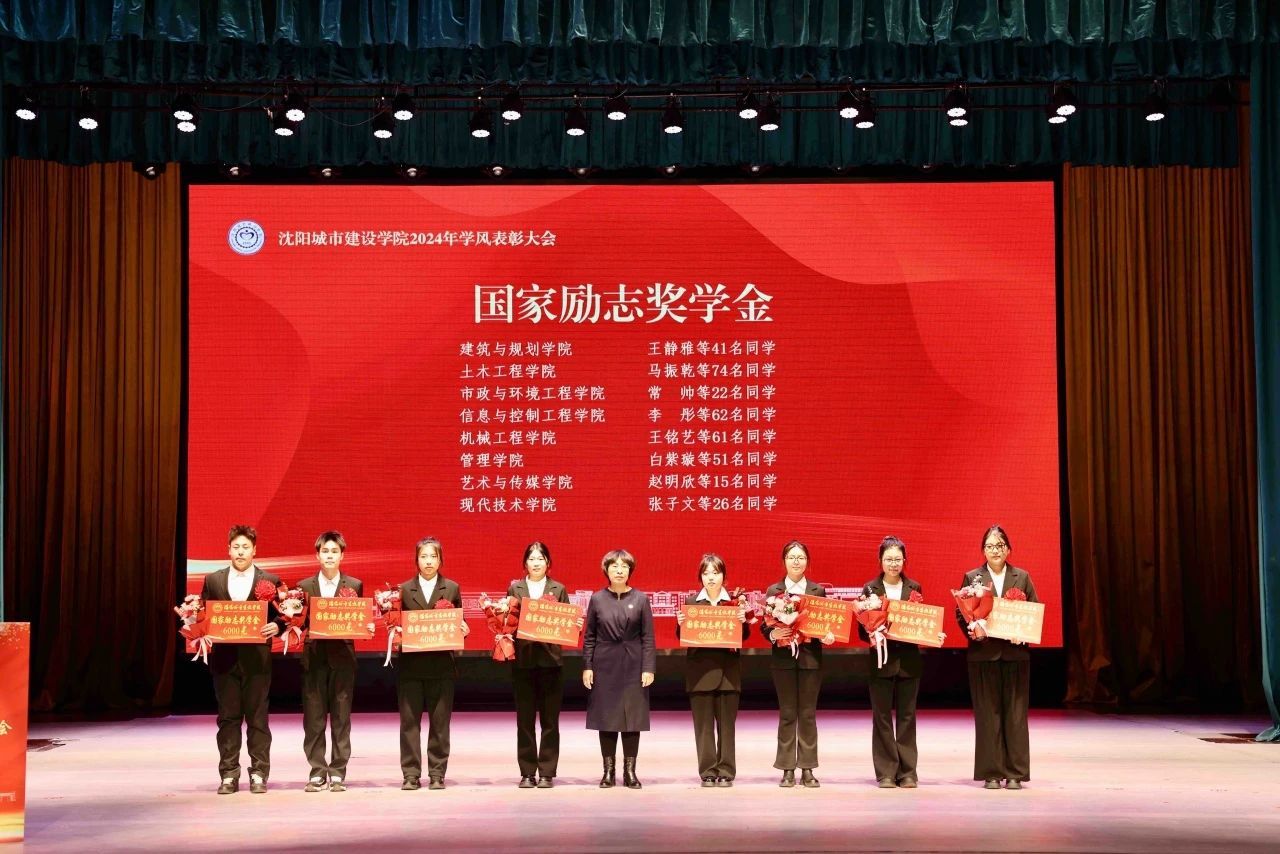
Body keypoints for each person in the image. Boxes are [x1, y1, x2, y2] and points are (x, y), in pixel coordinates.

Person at [200, 524, 284, 795]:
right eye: (236, 547)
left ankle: (259, 772)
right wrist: (199, 628)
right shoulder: (213, 580)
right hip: (224, 661)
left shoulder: (269, 580)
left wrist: (278, 626)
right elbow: (202, 614)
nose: (240, 551)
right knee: (228, 719)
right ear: (228, 549)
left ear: (254, 550)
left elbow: (285, 613)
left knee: (258, 720)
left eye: (245, 547)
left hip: (257, 661)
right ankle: (228, 774)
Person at [957, 525, 1040, 790]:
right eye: (990, 546)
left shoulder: (1022, 577)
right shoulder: (972, 578)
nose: (995, 550)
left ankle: (1015, 773)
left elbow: (1033, 612)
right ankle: (991, 772)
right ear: (983, 550)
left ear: (1008, 549)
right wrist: (973, 630)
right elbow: (961, 614)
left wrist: (1023, 633)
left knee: (1015, 715)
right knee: (987, 714)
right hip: (984, 655)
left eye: (1000, 545)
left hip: (1015, 655)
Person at [397, 537, 469, 790]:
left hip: (441, 667)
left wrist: (463, 629)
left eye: (433, 556)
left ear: (440, 560)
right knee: (409, 724)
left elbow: (457, 624)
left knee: (440, 724)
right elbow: (396, 623)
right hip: (411, 667)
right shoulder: (404, 590)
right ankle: (411, 774)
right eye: (423, 556)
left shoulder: (452, 588)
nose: (428, 561)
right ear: (416, 560)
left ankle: (437, 773)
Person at [761, 540, 834, 788]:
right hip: (783, 661)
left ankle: (808, 768)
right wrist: (773, 634)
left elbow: (824, 624)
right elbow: (765, 626)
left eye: (800, 557)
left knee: (808, 714)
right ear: (784, 561)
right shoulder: (774, 590)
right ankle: (787, 768)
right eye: (791, 557)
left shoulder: (817, 591)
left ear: (807, 562)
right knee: (787, 713)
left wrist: (828, 635)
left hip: (810, 660)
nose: (796, 561)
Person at [298, 530, 366, 793]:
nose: (329, 556)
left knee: (341, 718)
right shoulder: (304, 587)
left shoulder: (354, 585)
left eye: (334, 551)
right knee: (313, 719)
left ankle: (338, 772)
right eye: (325, 551)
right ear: (317, 555)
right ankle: (317, 771)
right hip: (314, 658)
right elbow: (298, 622)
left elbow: (357, 620)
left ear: (342, 556)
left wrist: (366, 626)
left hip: (343, 659)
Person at [583, 549, 655, 790]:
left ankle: (630, 771)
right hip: (604, 664)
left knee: (632, 718)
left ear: (630, 570)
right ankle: (608, 771)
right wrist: (587, 666)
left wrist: (648, 667)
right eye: (614, 566)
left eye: (624, 566)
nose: (619, 570)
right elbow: (589, 636)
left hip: (634, 664)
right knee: (607, 717)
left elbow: (648, 637)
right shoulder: (597, 599)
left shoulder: (641, 599)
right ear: (606, 570)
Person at [675, 553, 750, 787]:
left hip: (728, 674)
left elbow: (743, 637)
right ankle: (707, 771)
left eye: (715, 573)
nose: (710, 577)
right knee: (704, 728)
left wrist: (743, 621)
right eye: (706, 573)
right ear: (700, 577)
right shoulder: (691, 603)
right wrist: (680, 624)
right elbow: (683, 637)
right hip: (700, 674)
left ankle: (726, 771)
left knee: (727, 727)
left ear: (723, 576)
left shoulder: (734, 603)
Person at [506, 541, 574, 788]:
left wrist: (573, 625)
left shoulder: (558, 588)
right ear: (525, 563)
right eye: (531, 558)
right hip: (523, 662)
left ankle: (546, 772)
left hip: (550, 662)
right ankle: (527, 772)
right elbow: (508, 622)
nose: (536, 563)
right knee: (524, 721)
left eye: (540, 558)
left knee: (550, 721)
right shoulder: (515, 588)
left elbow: (566, 622)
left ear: (548, 563)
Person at [860, 536, 923, 788]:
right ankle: (886, 772)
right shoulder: (870, 589)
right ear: (880, 561)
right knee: (882, 717)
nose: (894, 564)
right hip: (880, 661)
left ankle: (908, 772)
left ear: (904, 561)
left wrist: (932, 635)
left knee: (907, 717)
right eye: (889, 559)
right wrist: (873, 631)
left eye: (898, 559)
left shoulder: (914, 588)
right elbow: (861, 629)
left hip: (909, 661)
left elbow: (921, 623)